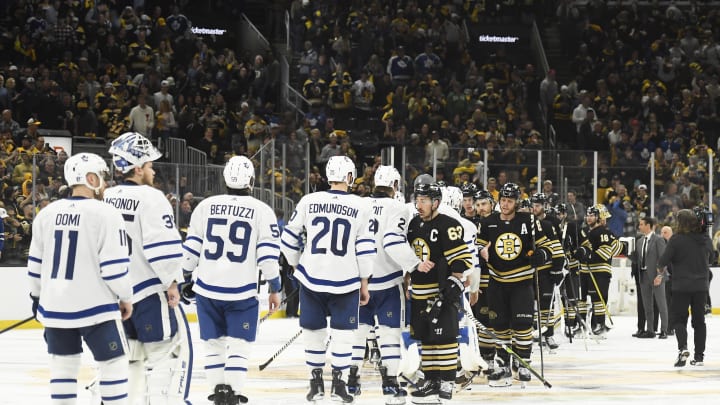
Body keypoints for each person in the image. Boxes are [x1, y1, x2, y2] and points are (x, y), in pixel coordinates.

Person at [28, 152, 133, 404]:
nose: (105, 184)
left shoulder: (46, 213)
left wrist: (36, 298)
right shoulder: (106, 214)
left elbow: (34, 267)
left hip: (55, 307)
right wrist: (126, 297)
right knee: (114, 364)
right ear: (90, 178)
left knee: (63, 368)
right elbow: (114, 268)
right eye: (101, 177)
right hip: (95, 307)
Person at [182, 156, 282, 404]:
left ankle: (218, 394)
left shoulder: (205, 206)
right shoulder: (262, 210)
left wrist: (184, 276)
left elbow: (192, 247)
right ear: (251, 180)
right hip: (242, 291)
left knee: (213, 346)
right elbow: (268, 257)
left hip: (207, 288)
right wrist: (275, 286)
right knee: (239, 345)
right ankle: (233, 394)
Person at [280, 155, 376, 404]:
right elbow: (365, 248)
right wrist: (364, 282)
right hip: (346, 280)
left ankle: (315, 385)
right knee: (344, 335)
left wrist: (296, 265)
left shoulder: (309, 200)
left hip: (311, 277)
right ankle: (339, 385)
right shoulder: (362, 205)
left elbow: (289, 239)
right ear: (349, 177)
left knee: (313, 331)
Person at [105, 132, 189, 403]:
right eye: (150, 165)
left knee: (129, 359)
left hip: (117, 295)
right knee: (166, 355)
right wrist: (173, 282)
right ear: (138, 168)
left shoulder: (106, 197)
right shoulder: (152, 198)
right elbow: (161, 247)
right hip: (149, 293)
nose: (153, 170)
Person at [348, 165, 419, 404]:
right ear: (396, 186)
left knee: (357, 335)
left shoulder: (358, 205)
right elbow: (393, 242)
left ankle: (351, 382)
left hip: (359, 282)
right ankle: (390, 386)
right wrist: (415, 266)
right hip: (388, 282)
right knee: (389, 336)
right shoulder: (399, 208)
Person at [477, 183, 553, 387]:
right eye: (502, 200)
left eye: (509, 201)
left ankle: (524, 364)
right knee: (499, 325)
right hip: (497, 282)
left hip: (521, 282)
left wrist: (541, 255)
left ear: (517, 202)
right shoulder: (488, 221)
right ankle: (502, 363)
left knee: (522, 326)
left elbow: (547, 247)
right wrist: (480, 253)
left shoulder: (528, 220)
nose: (505, 204)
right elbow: (477, 246)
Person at [406, 182, 473, 402]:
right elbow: (409, 257)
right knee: (426, 337)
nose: (419, 204)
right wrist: (408, 280)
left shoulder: (448, 224)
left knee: (444, 337)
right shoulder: (414, 224)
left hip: (440, 291)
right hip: (419, 291)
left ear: (436, 202)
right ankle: (431, 379)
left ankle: (447, 380)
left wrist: (455, 280)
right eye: (417, 199)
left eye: (424, 200)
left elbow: (462, 257)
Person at [657, 209, 713, 367]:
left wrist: (660, 271)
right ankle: (699, 357)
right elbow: (713, 256)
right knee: (699, 321)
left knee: (679, 319)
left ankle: (683, 348)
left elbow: (662, 261)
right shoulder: (704, 238)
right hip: (701, 286)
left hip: (681, 285)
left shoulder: (676, 240)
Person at [574, 204, 623, 336]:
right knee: (582, 299)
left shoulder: (603, 232)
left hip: (599, 271)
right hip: (585, 270)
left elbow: (607, 252)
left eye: (592, 215)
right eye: (588, 215)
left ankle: (599, 325)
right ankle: (582, 325)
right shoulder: (586, 231)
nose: (589, 218)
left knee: (598, 299)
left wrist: (588, 256)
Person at [530, 193, 565, 350]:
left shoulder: (550, 223)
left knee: (546, 304)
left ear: (544, 205)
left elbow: (557, 246)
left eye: (538, 205)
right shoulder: (526, 223)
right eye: (533, 205)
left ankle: (548, 334)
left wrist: (557, 268)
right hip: (528, 271)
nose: (534, 208)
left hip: (545, 270)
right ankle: (534, 331)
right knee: (530, 303)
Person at [630, 217, 669, 339]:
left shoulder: (658, 240)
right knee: (647, 305)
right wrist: (626, 253)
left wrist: (660, 275)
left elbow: (663, 259)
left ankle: (664, 330)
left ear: (648, 225)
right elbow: (638, 259)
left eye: (641, 224)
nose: (639, 227)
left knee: (661, 304)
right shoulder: (640, 241)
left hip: (656, 276)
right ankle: (650, 330)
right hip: (643, 276)